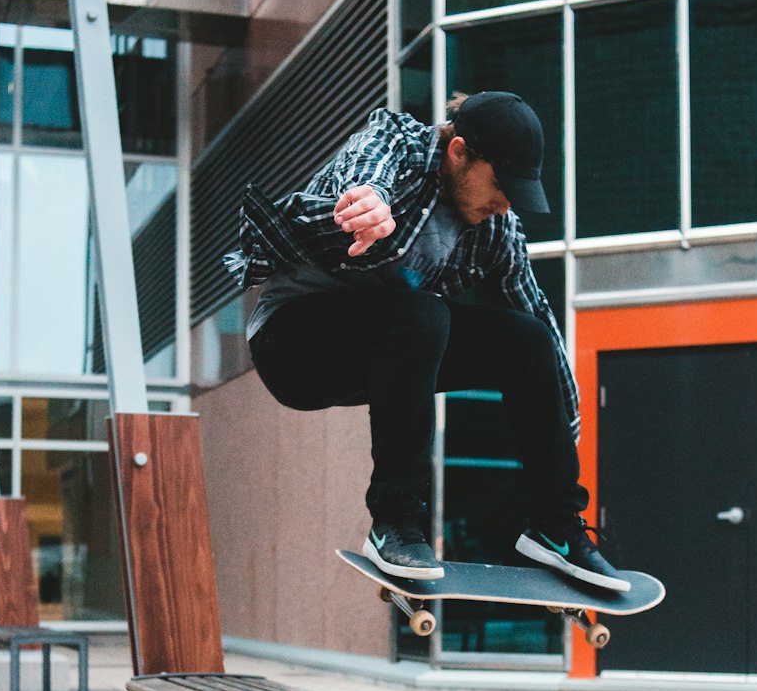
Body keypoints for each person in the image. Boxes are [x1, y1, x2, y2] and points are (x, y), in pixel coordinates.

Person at [224, 91, 629, 592]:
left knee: (528, 339)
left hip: (386, 346)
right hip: (294, 345)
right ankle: (395, 523)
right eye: (500, 185)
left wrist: (563, 426)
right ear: (458, 152)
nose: (504, 203)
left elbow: (536, 313)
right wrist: (369, 200)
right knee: (422, 314)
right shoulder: (402, 146)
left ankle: (556, 528)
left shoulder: (497, 230)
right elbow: (370, 165)